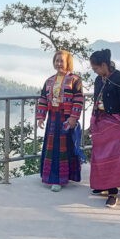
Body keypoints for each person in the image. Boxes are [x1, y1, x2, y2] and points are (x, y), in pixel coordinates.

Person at [88, 49, 120, 208]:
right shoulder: (98, 80)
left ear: (103, 65)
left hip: (114, 122)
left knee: (113, 157)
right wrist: (92, 122)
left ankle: (113, 192)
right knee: (99, 156)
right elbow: (96, 101)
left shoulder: (119, 77)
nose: (95, 71)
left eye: (96, 68)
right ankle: (102, 184)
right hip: (100, 121)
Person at [35, 50, 84, 192]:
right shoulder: (50, 80)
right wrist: (40, 117)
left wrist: (73, 117)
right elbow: (43, 99)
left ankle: (64, 177)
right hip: (53, 118)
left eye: (61, 61)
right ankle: (53, 178)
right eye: (56, 60)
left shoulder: (75, 80)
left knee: (66, 147)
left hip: (66, 118)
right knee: (54, 148)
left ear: (68, 62)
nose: (59, 63)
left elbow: (78, 100)